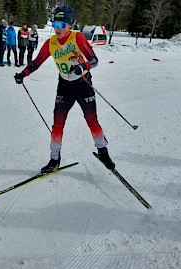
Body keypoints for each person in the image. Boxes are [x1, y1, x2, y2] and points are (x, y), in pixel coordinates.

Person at [14, 6, 115, 174]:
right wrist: (23, 74)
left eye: (61, 25)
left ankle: (103, 152)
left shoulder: (77, 37)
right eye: (55, 24)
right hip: (64, 86)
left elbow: (94, 60)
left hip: (83, 84)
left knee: (91, 120)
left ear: (69, 25)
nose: (57, 28)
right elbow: (37, 62)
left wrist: (82, 68)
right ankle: (54, 159)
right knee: (57, 123)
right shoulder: (51, 43)